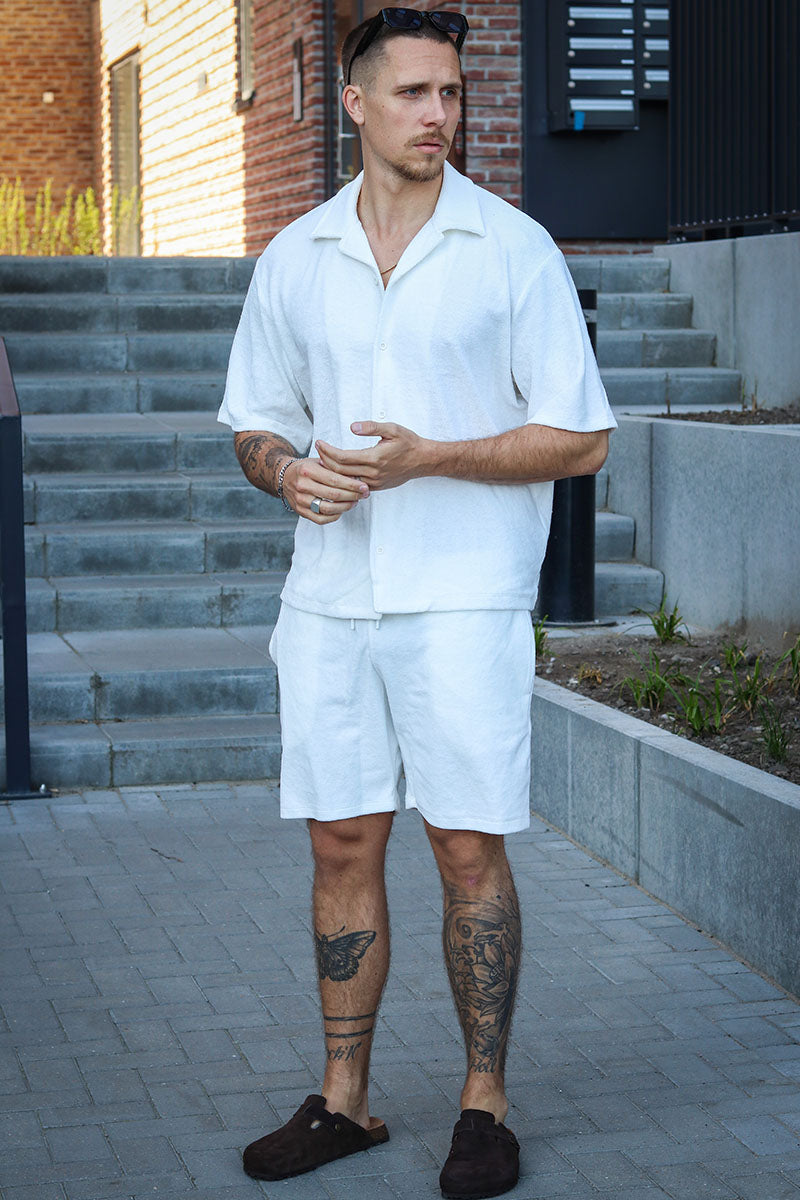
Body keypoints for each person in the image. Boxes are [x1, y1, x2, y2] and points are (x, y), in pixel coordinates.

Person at [218, 8, 615, 1197]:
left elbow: (581, 438)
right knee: (340, 842)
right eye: (410, 93)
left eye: (449, 92)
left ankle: (482, 1105)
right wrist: (285, 473)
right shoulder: (294, 256)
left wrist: (429, 457)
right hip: (330, 601)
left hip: (461, 603)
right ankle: (343, 1102)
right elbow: (254, 421)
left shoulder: (512, 250)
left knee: (464, 846)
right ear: (354, 103)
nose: (437, 114)